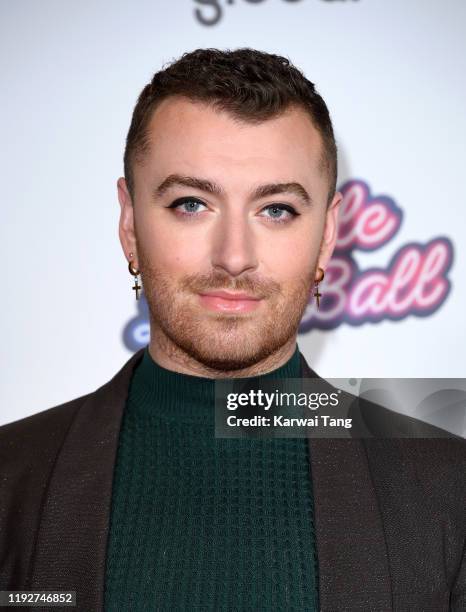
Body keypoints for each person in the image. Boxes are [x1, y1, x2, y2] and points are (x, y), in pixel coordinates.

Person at [0, 48, 464, 612]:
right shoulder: (12, 478)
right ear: (129, 224)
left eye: (276, 210)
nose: (234, 257)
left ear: (326, 235)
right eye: (191, 204)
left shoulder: (447, 487)